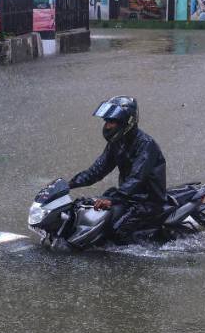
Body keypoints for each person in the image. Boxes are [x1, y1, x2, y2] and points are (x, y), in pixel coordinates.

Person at [68, 96, 167, 243]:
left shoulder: (146, 145)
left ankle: (136, 260)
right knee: (91, 213)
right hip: (128, 197)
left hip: (147, 201)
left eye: (112, 122)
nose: (107, 126)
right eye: (107, 121)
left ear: (126, 122)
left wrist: (113, 200)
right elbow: (97, 170)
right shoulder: (117, 143)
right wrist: (69, 184)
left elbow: (136, 178)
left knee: (118, 232)